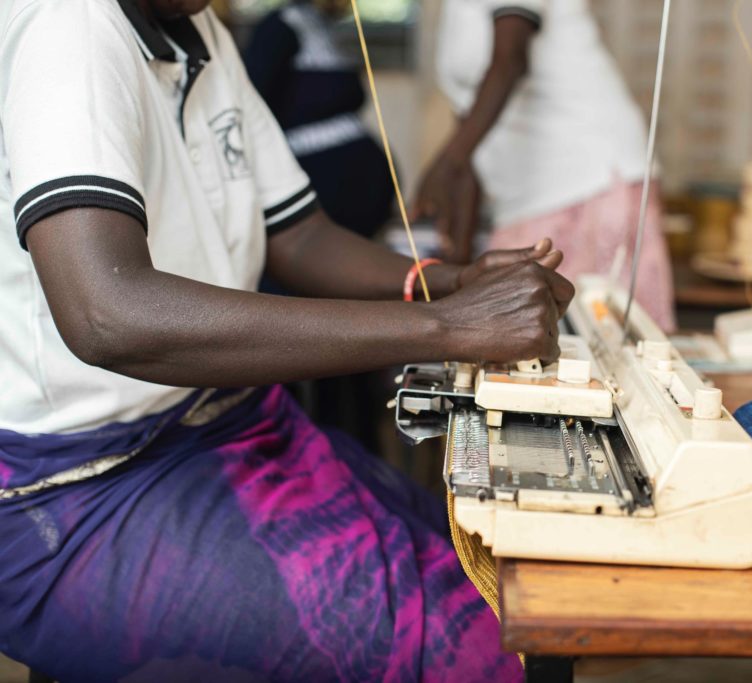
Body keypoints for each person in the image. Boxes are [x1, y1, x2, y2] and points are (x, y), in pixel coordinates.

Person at [0, 0, 573, 681]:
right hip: (81, 492)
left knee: (485, 574)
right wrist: (449, 327)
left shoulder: (198, 29)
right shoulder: (68, 26)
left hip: (222, 426)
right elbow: (107, 312)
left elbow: (298, 233)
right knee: (461, 642)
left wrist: (448, 282)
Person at [416, 0, 676, 331]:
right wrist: (456, 269)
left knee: (593, 347)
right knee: (508, 334)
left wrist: (446, 166)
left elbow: (509, 62)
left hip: (587, 175)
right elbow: (471, 127)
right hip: (527, 190)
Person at [243, 0, 393, 238]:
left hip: (353, 191)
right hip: (317, 182)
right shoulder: (279, 27)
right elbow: (253, 102)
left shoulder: (321, 26)